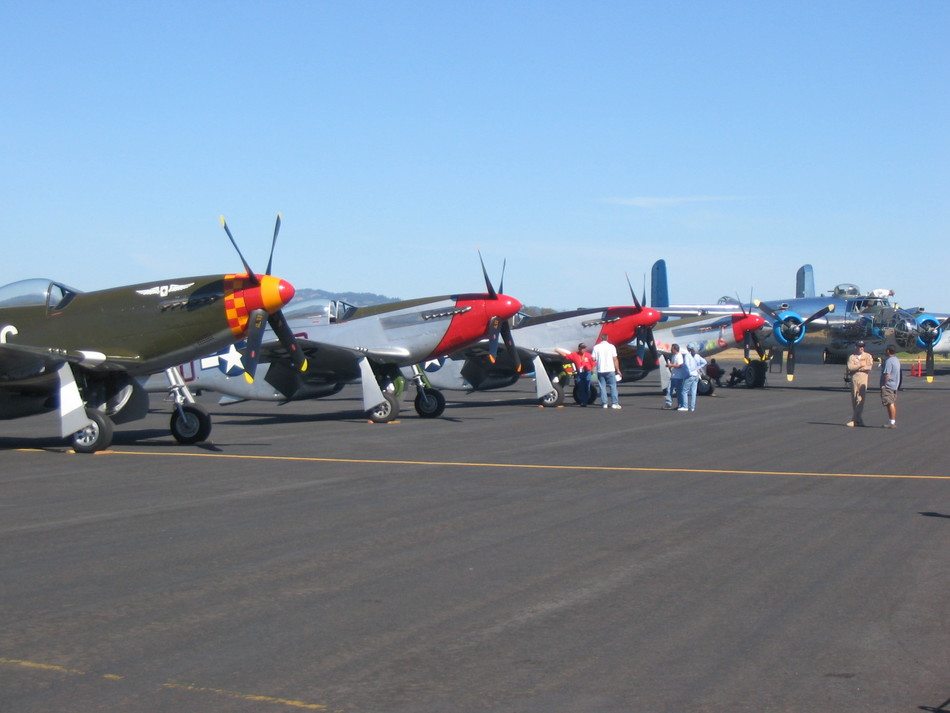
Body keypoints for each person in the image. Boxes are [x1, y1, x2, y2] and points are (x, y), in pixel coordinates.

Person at [845, 340, 874, 427]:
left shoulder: (867, 356)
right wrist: (860, 365)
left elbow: (869, 367)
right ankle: (859, 419)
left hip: (863, 378)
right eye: (859, 346)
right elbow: (850, 367)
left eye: (862, 346)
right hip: (854, 378)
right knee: (854, 399)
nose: (861, 348)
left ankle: (854, 420)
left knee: (861, 399)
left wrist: (858, 368)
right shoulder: (852, 357)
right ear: (856, 347)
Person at [592, 334, 622, 409]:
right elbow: (615, 359)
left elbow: (593, 359)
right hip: (610, 369)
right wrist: (618, 369)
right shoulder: (611, 347)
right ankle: (614, 403)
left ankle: (604, 403)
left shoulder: (596, 347)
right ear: (607, 338)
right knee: (613, 387)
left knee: (602, 387)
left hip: (600, 370)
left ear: (600, 338)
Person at [880, 345, 901, 428]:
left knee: (889, 403)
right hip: (895, 385)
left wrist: (883, 385)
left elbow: (887, 374)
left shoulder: (889, 361)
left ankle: (892, 422)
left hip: (889, 385)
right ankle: (891, 421)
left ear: (888, 351)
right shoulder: (896, 360)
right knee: (891, 403)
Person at [683, 344, 707, 412]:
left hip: (690, 375)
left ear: (688, 349)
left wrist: (689, 373)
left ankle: (685, 406)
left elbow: (687, 365)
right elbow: (705, 362)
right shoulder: (697, 356)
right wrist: (699, 367)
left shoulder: (687, 355)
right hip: (696, 375)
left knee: (684, 391)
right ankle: (692, 407)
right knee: (693, 391)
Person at [664, 344, 684, 409]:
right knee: (669, 390)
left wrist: (671, 365)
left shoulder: (679, 356)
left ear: (675, 349)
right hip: (673, 376)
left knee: (679, 392)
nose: (670, 350)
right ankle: (668, 403)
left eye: (672, 349)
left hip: (678, 377)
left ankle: (680, 405)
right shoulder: (673, 356)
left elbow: (680, 366)